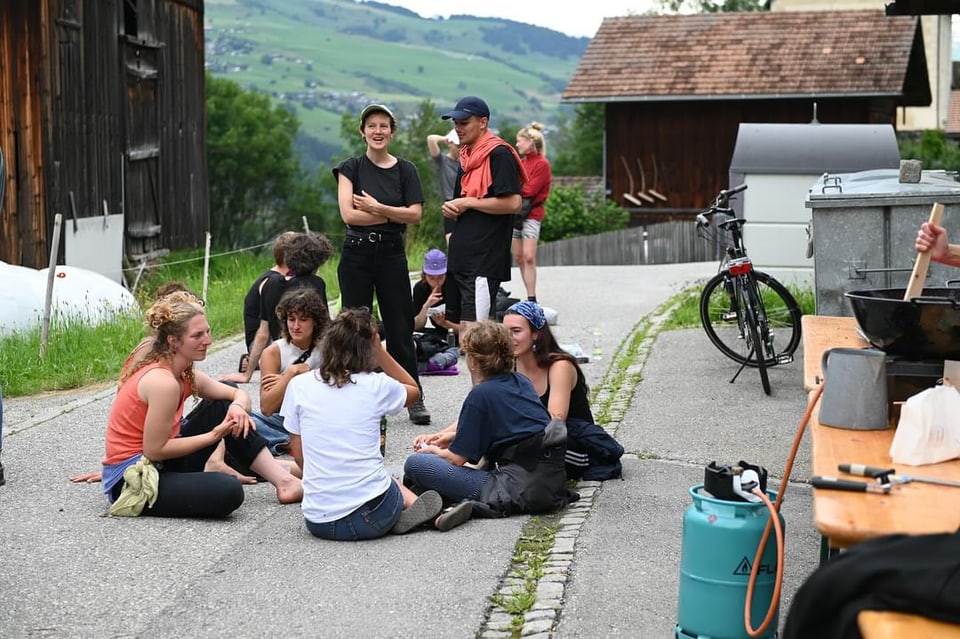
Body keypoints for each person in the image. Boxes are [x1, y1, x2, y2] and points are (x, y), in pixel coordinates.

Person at [99, 295, 302, 518]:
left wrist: (236, 408)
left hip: (161, 460)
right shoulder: (162, 382)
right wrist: (213, 436)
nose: (207, 340)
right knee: (228, 491)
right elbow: (154, 450)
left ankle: (284, 482)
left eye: (207, 331)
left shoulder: (184, 372)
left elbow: (238, 393)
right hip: (134, 476)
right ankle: (279, 473)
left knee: (224, 403)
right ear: (173, 341)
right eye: (197, 335)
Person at [280, 307, 454, 540]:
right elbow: (413, 390)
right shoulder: (376, 385)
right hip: (371, 517)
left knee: (374, 477)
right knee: (384, 480)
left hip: (318, 521)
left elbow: (300, 457)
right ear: (369, 347)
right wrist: (381, 352)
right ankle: (428, 513)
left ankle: (415, 512)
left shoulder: (298, 386)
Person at [403, 320, 570, 519]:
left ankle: (448, 504)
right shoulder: (521, 381)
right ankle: (446, 500)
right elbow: (511, 430)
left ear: (473, 361)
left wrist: (435, 451)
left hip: (511, 487)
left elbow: (457, 459)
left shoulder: (480, 394)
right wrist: (451, 436)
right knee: (439, 468)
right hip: (548, 483)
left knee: (417, 464)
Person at [332, 103, 431, 426]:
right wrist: (393, 211)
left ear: (392, 131)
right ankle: (356, 396)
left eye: (384, 126)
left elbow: (415, 214)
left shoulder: (406, 170)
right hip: (356, 252)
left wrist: (377, 207)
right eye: (371, 125)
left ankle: (413, 395)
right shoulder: (350, 168)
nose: (377, 131)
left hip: (391, 253)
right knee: (356, 327)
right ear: (362, 131)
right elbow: (348, 215)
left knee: (401, 326)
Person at [440, 96, 527, 341]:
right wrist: (453, 209)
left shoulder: (498, 154)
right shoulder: (467, 156)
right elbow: (467, 204)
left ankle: (486, 380)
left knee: (478, 335)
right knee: (466, 334)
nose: (458, 127)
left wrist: (467, 202)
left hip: (484, 258)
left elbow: (513, 203)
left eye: (464, 122)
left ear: (483, 122)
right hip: (462, 258)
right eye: (455, 122)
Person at [225, 231, 334, 385]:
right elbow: (324, 328)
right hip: (306, 358)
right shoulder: (316, 283)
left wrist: (247, 375)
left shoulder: (270, 283)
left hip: (278, 355)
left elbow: (263, 333)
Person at [251, 287, 330, 455]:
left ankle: (285, 443)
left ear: (315, 321)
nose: (296, 326)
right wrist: (291, 374)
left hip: (317, 416)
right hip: (282, 420)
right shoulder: (273, 352)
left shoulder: (327, 349)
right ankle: (289, 443)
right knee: (248, 422)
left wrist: (307, 374)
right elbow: (267, 407)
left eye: (303, 320)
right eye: (291, 319)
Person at [239, 231, 298, 374]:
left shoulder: (283, 278)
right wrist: (248, 374)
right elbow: (263, 332)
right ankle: (257, 360)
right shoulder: (272, 283)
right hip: (262, 342)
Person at [513, 123, 551, 304]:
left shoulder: (542, 164)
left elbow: (530, 189)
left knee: (529, 256)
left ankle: (531, 296)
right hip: (516, 213)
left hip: (532, 213)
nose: (517, 145)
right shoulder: (521, 163)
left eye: (520, 141)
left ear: (531, 142)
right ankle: (528, 294)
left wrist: (515, 190)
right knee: (519, 256)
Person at [412, 248, 459, 376]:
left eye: (440, 277)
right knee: (416, 336)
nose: (436, 282)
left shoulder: (455, 285)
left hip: (457, 332)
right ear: (424, 275)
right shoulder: (420, 288)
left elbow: (468, 327)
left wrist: (445, 323)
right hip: (438, 333)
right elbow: (417, 326)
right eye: (431, 278)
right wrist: (426, 306)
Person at [426, 130, 460, 244]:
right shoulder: (443, 161)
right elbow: (431, 139)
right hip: (450, 205)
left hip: (467, 204)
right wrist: (446, 138)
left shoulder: (467, 162)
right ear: (450, 144)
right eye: (458, 146)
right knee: (452, 244)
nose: (460, 149)